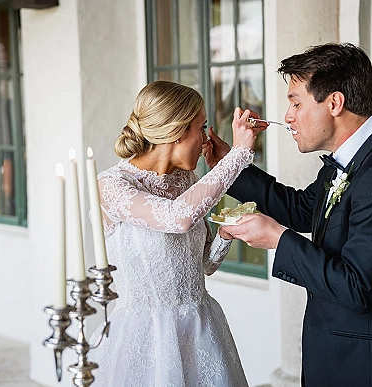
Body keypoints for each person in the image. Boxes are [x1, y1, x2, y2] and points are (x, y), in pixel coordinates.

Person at [205, 43, 372, 386]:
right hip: (344, 359)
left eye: (295, 102)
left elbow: (359, 286)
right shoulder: (354, 157)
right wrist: (231, 165)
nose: (288, 115)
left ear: (334, 103)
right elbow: (301, 209)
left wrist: (277, 239)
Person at [89, 80, 259, 386]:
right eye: (202, 126)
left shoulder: (185, 179)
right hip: (144, 337)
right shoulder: (111, 186)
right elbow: (176, 218)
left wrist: (225, 234)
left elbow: (204, 264)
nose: (207, 136)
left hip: (200, 329)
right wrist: (238, 155)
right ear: (177, 132)